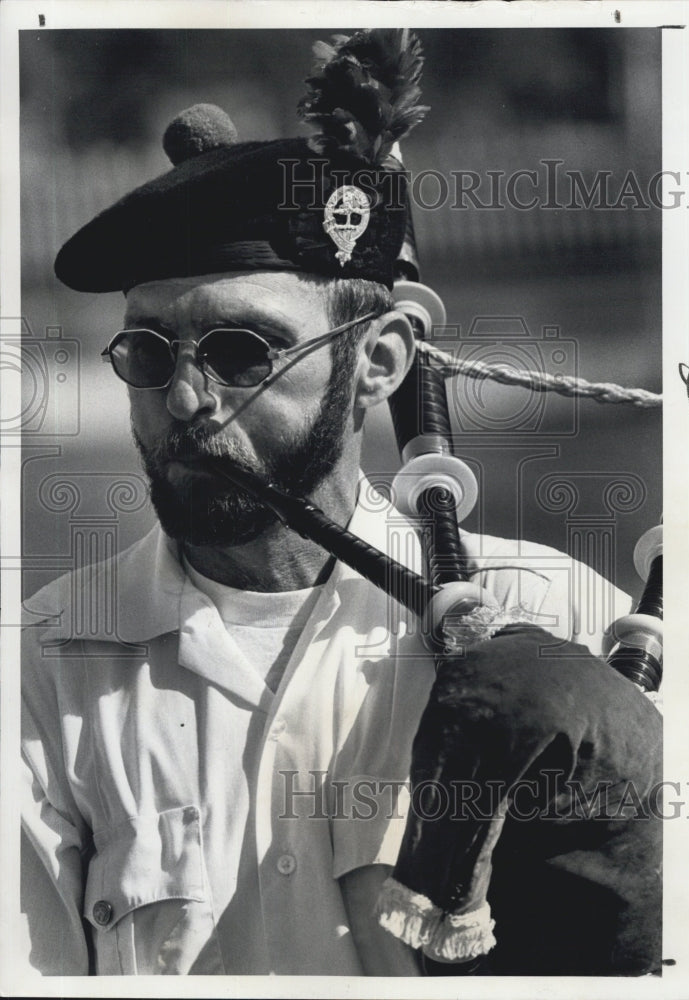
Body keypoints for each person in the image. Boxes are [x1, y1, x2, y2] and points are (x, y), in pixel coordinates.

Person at [20, 32, 653, 977]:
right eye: (149, 353)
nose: (187, 401)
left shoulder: (558, 615)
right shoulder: (41, 666)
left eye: (242, 351)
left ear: (380, 362)